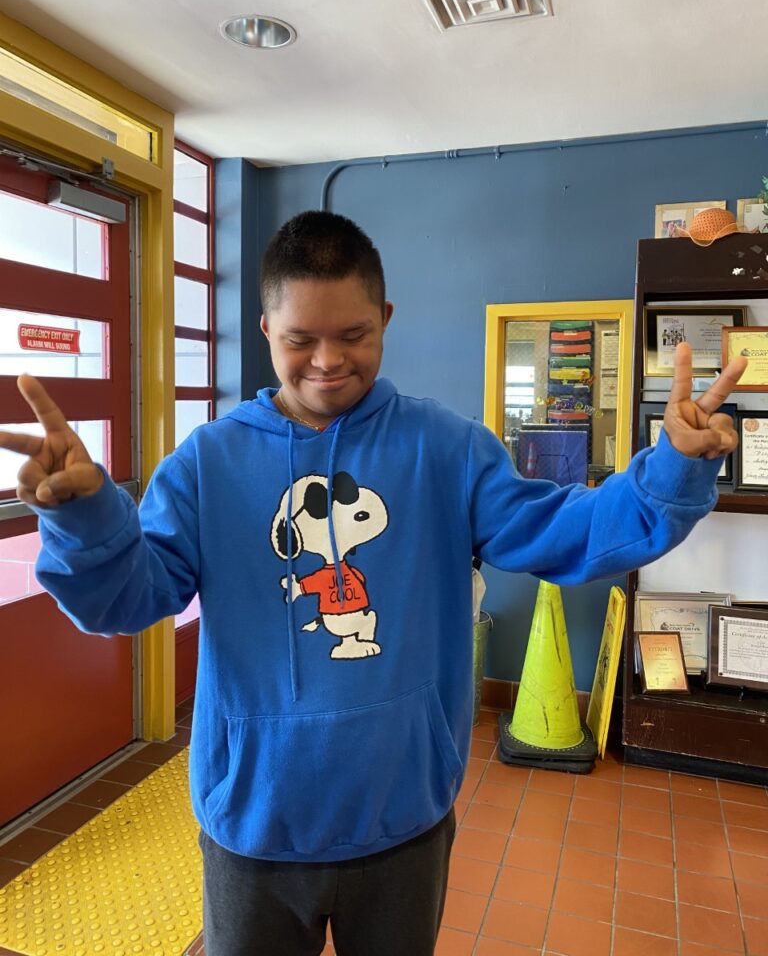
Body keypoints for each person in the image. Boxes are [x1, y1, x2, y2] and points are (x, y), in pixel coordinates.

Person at [0, 211, 746, 956]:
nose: (327, 361)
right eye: (300, 339)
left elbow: (573, 533)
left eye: (353, 335)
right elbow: (128, 599)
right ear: (265, 328)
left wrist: (673, 466)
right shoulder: (206, 463)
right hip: (254, 825)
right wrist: (87, 515)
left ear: (385, 319)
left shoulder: (447, 449)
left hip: (402, 821)